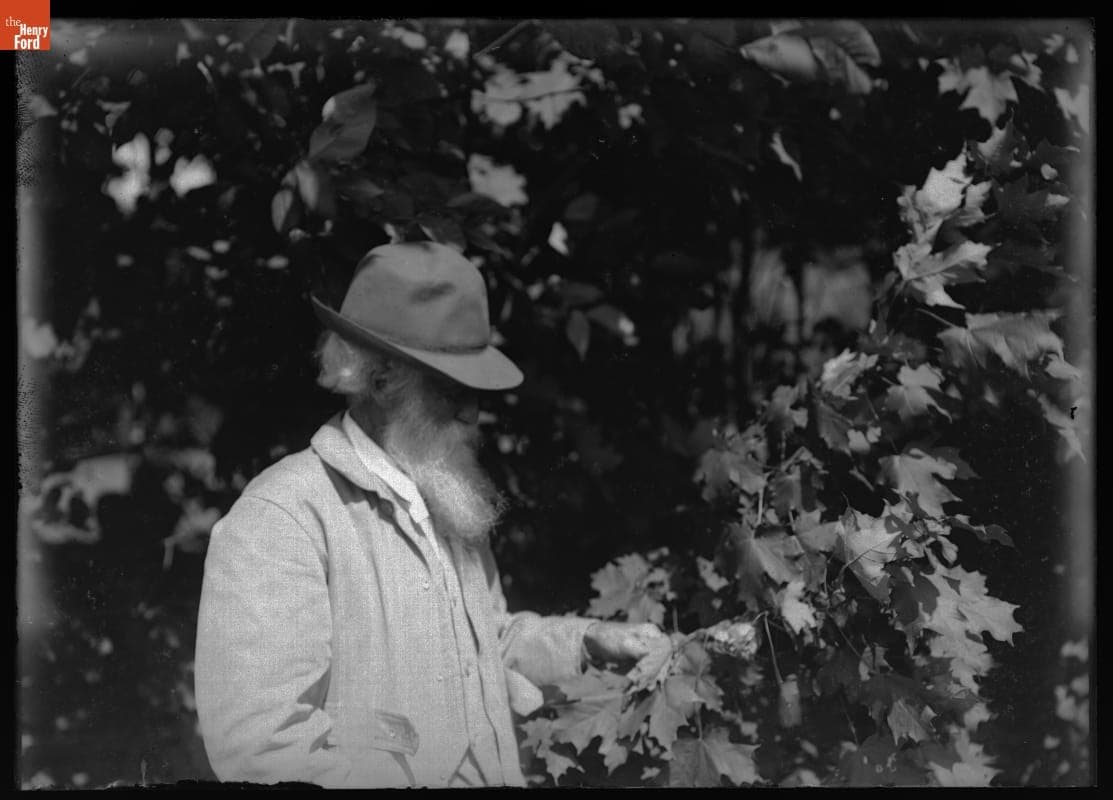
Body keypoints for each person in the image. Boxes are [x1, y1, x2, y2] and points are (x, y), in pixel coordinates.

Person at [194, 241, 668, 788]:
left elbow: (484, 645)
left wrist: (585, 643)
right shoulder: (284, 517)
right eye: (451, 389)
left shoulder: (446, 497)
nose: (473, 412)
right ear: (378, 379)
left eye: (477, 391)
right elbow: (260, 750)